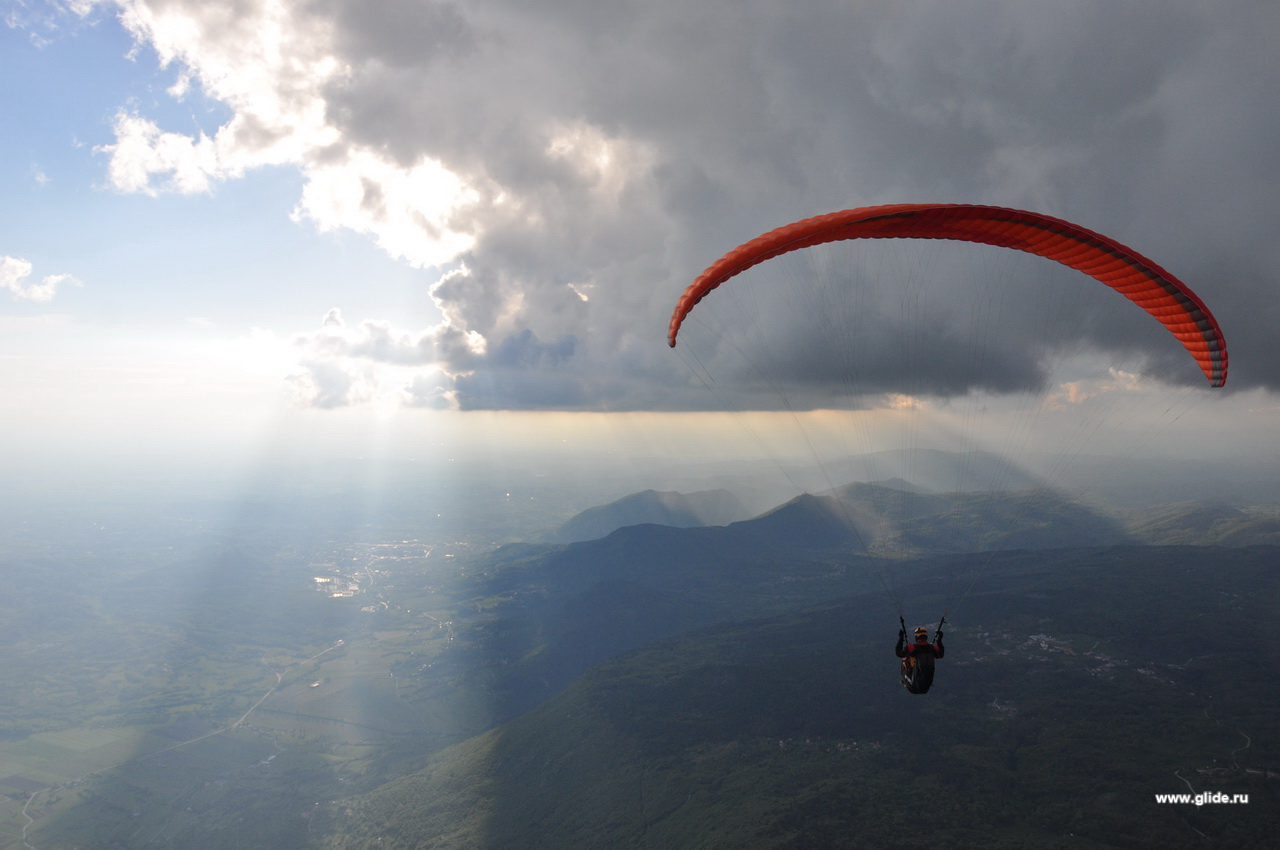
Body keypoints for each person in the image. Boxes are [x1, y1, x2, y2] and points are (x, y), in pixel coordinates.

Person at [896, 621, 944, 694]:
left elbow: (899, 653)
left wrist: (901, 638)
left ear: (916, 637)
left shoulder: (911, 648)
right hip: (926, 687)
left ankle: (906, 680)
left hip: (913, 686)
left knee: (905, 659)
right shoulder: (932, 648)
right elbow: (941, 654)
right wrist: (939, 640)